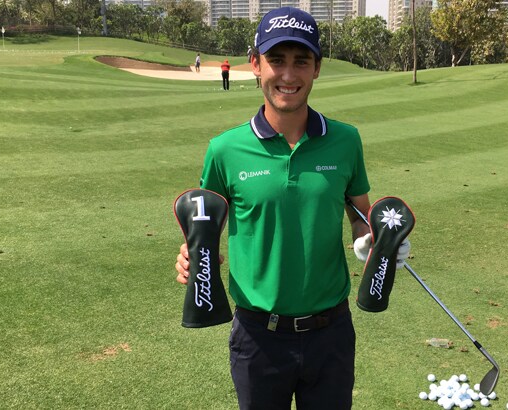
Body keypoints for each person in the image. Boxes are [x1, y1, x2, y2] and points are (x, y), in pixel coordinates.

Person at [174, 7, 410, 409]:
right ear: (255, 64)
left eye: (301, 61)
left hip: (331, 332)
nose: (288, 74)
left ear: (317, 68)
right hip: (257, 336)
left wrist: (376, 241)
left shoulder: (346, 141)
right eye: (276, 60)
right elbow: (204, 224)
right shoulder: (225, 149)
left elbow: (360, 215)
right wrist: (188, 257)